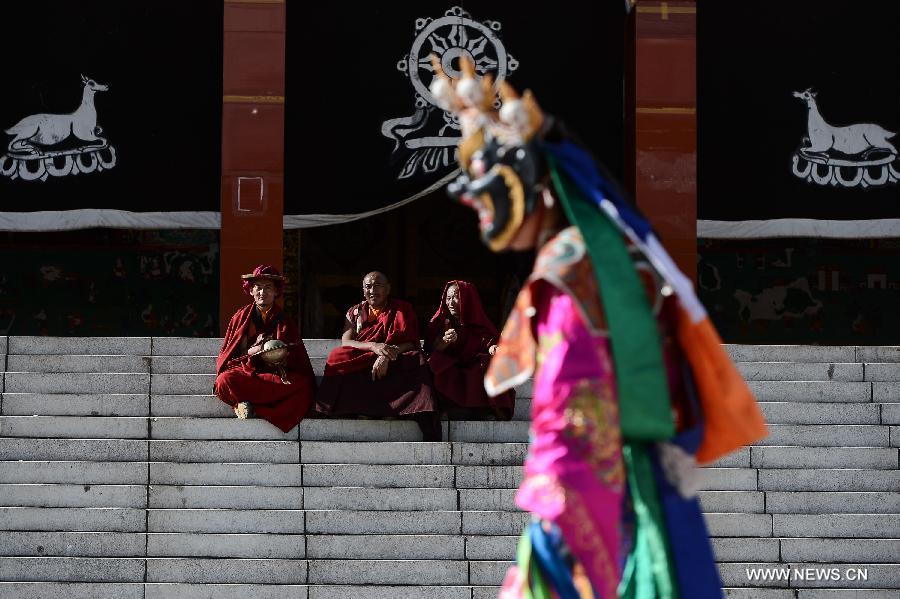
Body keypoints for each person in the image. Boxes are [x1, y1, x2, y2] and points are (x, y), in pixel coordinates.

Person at [431, 56, 767, 598]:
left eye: (483, 189)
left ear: (529, 186)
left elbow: (574, 411)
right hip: (638, 488)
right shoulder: (607, 259)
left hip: (593, 504)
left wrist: (553, 530)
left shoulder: (573, 272)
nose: (475, 207)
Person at [315, 271, 440, 440]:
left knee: (415, 358)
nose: (372, 290)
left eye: (378, 285)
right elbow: (347, 341)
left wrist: (386, 355)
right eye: (368, 286)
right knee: (337, 356)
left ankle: (406, 408)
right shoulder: (355, 312)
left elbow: (411, 343)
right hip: (367, 354)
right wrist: (373, 346)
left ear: (388, 289)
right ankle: (352, 408)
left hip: (394, 354)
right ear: (363, 290)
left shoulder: (402, 309)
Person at [214, 265, 317, 432]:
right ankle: (254, 405)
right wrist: (252, 351)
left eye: (268, 287)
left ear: (276, 292)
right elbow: (229, 355)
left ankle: (254, 409)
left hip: (273, 374)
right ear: (251, 290)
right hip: (247, 372)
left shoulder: (284, 321)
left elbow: (297, 358)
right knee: (223, 381)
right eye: (258, 287)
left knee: (303, 387)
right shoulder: (240, 318)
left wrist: (280, 355)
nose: (263, 292)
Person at [426, 280, 514, 419]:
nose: (451, 302)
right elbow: (430, 349)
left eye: (456, 297)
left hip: (472, 363)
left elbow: (489, 343)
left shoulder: (478, 321)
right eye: (448, 298)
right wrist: (444, 341)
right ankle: (448, 408)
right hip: (451, 364)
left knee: (488, 363)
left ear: (468, 299)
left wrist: (493, 348)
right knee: (434, 363)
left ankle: (486, 410)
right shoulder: (440, 321)